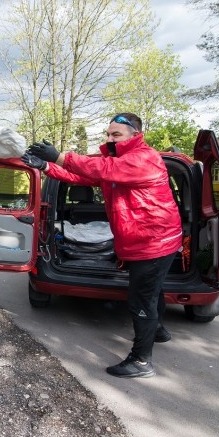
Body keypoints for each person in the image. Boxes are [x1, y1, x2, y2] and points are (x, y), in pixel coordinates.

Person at [22, 113, 182, 379]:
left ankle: (142, 361)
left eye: (116, 134)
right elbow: (84, 177)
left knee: (141, 298)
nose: (109, 138)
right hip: (150, 240)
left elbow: (102, 170)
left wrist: (59, 156)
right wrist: (47, 167)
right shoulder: (119, 160)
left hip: (153, 241)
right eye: (108, 134)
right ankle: (158, 330)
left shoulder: (144, 158)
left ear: (135, 134)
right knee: (152, 290)